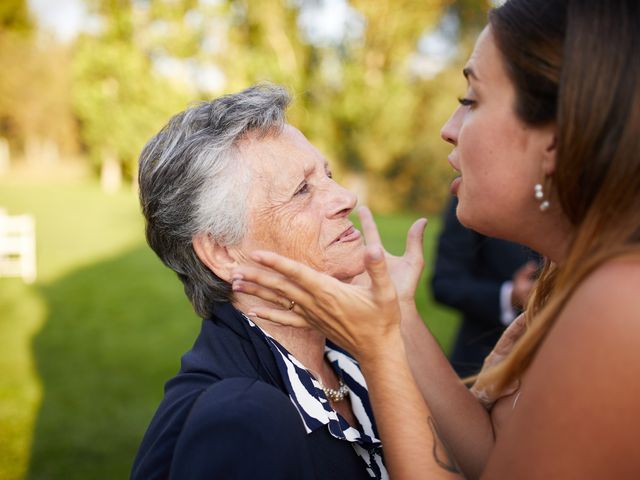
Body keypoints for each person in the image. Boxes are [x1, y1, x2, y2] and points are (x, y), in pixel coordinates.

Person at [231, 0, 640, 478]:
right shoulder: (577, 286)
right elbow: (495, 459)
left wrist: (379, 351)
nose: (448, 129)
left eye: (472, 100)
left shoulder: (620, 310)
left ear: (556, 137)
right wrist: (397, 312)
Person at [131, 85, 388, 479]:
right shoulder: (240, 423)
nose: (345, 197)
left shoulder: (353, 353)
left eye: (328, 175)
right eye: (302, 190)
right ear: (222, 252)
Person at [432, 196, 540, 377]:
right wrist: (510, 296)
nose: (454, 166)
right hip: (482, 362)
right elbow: (446, 282)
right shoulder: (467, 192)